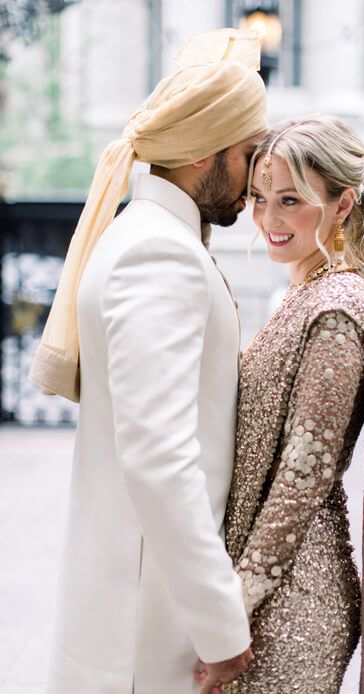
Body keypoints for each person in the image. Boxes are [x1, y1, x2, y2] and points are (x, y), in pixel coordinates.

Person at [28, 29, 267, 694]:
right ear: (200, 152)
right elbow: (159, 454)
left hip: (139, 607)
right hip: (147, 627)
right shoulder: (156, 255)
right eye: (249, 154)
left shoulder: (150, 238)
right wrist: (222, 625)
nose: (258, 178)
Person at [225, 116, 364, 693]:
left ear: (342, 203)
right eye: (259, 198)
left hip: (294, 601)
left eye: (289, 200)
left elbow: (304, 476)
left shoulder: (337, 308)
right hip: (273, 584)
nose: (268, 219)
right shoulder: (305, 291)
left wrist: (233, 607)